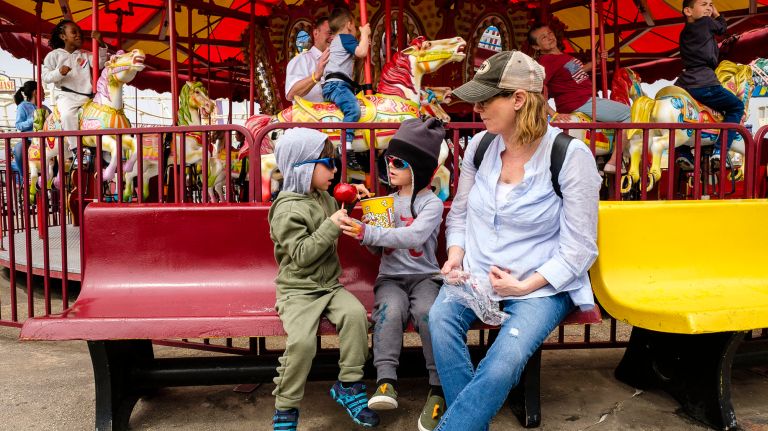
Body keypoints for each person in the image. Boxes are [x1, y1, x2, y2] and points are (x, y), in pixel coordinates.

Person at [427, 51, 601, 430]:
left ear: (518, 100)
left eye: (486, 99)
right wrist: (455, 255)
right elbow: (459, 212)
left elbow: (580, 247)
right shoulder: (481, 146)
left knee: (504, 360)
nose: (477, 108)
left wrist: (524, 284)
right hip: (476, 275)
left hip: (538, 284)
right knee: (439, 318)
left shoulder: (570, 156)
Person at [268, 127, 379, 431]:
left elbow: (335, 218)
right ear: (303, 167)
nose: (334, 169)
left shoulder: (323, 198)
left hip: (329, 286)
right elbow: (302, 254)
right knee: (302, 344)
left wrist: (353, 204)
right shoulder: (286, 209)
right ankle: (286, 408)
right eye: (328, 163)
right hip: (298, 290)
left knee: (356, 316)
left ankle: (349, 385)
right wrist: (331, 225)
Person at [339, 117, 446, 431]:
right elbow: (377, 248)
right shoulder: (383, 201)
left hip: (426, 276)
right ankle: (385, 381)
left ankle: (438, 387)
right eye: (388, 160)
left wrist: (368, 232)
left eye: (399, 162)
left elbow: (414, 238)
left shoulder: (431, 205)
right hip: (391, 278)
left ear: (419, 168)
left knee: (429, 312)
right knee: (388, 311)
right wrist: (361, 229)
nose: (390, 166)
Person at [528, 23, 630, 174]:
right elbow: (535, 88)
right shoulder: (547, 61)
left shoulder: (562, 57)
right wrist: (553, 113)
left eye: (549, 33)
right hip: (581, 102)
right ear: (536, 47)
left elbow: (579, 71)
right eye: (543, 37)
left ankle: (601, 159)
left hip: (585, 100)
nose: (549, 37)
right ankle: (615, 161)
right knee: (630, 113)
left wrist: (596, 61)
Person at [675, 0, 744, 167]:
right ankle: (720, 151)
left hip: (683, 83)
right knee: (736, 106)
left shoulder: (684, 32)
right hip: (705, 82)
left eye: (710, 5)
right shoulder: (706, 22)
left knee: (684, 117)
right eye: (704, 4)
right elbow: (722, 27)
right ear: (688, 11)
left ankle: (683, 152)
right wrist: (717, 13)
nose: (708, 8)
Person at [42, 20, 108, 150]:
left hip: (87, 98)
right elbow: (45, 76)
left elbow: (99, 64)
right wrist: (59, 72)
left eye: (79, 32)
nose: (78, 35)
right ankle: (75, 150)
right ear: (63, 37)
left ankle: (101, 147)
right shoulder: (54, 55)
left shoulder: (85, 54)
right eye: (74, 32)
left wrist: (100, 42)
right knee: (67, 115)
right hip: (67, 97)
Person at [322, 7, 371, 149]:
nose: (356, 29)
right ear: (349, 24)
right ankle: (346, 144)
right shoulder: (346, 38)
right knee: (353, 109)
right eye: (355, 26)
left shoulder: (336, 41)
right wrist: (365, 34)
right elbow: (361, 52)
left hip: (333, 85)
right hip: (337, 85)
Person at [285, 16, 333, 103]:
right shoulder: (301, 60)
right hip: (310, 115)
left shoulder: (338, 61)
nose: (333, 37)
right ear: (316, 33)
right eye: (329, 33)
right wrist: (316, 76)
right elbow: (291, 94)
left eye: (335, 34)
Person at [13, 80, 39, 175]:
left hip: (43, 140)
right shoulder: (22, 106)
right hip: (29, 140)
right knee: (19, 149)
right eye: (42, 90)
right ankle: (24, 176)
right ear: (35, 92)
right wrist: (33, 120)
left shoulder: (43, 107)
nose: (43, 93)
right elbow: (18, 125)